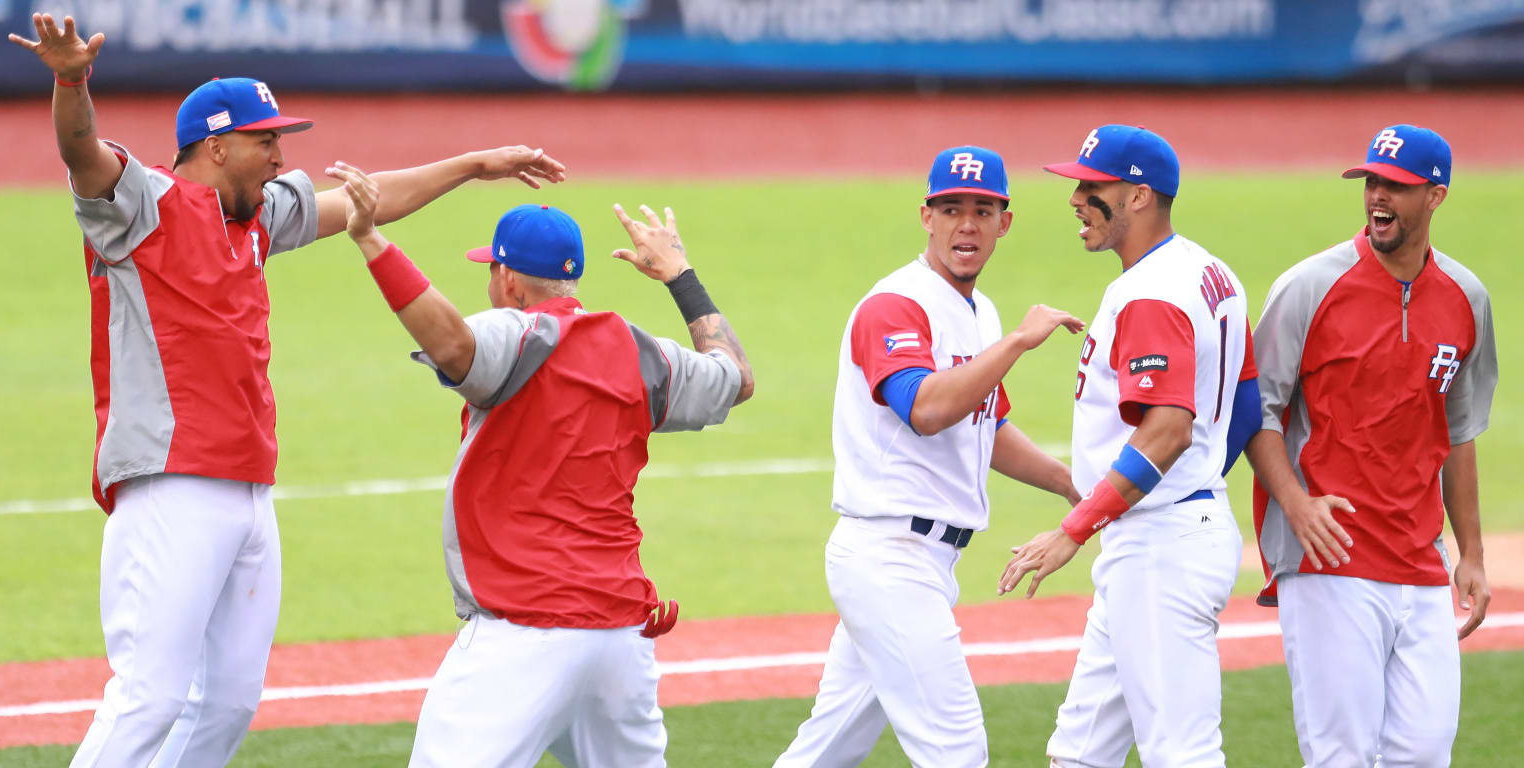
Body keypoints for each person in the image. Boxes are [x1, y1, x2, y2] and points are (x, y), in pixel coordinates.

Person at [8, 13, 569, 768]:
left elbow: (371, 199)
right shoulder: (141, 207)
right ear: (216, 145)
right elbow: (81, 151)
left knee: (229, 704)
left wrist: (473, 164)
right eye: (265, 140)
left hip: (248, 489)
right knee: (150, 697)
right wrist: (72, 79)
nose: (279, 156)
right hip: (169, 485)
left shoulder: (257, 219)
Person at [333, 161, 754, 767]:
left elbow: (453, 346)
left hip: (525, 634)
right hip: (618, 638)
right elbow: (736, 378)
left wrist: (373, 242)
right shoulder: (644, 354)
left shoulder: (516, 334)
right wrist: (680, 276)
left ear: (507, 278)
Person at [773, 146, 1084, 768]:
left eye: (980, 209)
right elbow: (925, 408)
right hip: (889, 557)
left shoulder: (978, 310)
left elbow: (985, 424)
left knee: (827, 749)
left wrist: (1073, 487)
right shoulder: (895, 304)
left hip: (920, 562)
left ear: (1005, 221)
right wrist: (1020, 343)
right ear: (926, 216)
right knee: (956, 750)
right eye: (950, 209)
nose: (965, 224)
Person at [1001, 125, 1259, 768]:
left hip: (1159, 547)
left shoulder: (1152, 292)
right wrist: (1196, 485)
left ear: (1139, 196)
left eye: (1092, 186)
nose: (1076, 198)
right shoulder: (1211, 271)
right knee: (1080, 753)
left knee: (1183, 754)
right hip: (1160, 531)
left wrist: (1076, 527)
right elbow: (1246, 401)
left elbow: (1168, 429)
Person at [1244, 124, 1496, 767]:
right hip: (1331, 556)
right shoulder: (1309, 287)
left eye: (1397, 187)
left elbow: (1457, 433)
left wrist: (1471, 552)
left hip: (1420, 558)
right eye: (1372, 182)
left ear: (1435, 196)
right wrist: (1297, 506)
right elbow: (1257, 411)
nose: (1378, 198)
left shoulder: (1466, 299)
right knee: (1342, 756)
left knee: (1424, 751)